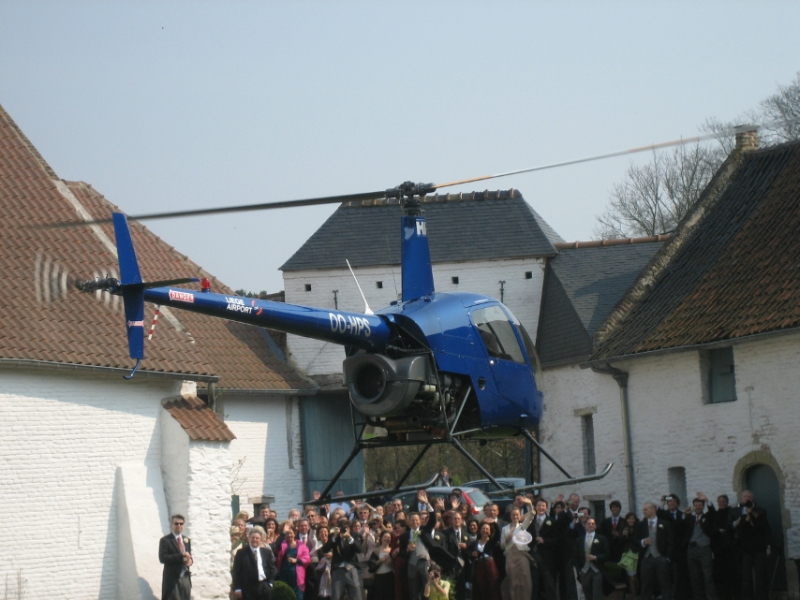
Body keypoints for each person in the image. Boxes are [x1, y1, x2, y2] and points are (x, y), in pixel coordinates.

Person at [734, 490, 771, 600]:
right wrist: (746, 518)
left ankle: (762, 597)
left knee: (761, 576)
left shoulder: (761, 511)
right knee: (746, 577)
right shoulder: (738, 512)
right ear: (741, 499)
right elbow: (739, 531)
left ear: (753, 499)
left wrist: (768, 546)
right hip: (745, 549)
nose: (747, 499)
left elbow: (766, 530)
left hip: (759, 548)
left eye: (750, 497)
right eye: (745, 497)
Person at [634, 501, 674, 600]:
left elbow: (670, 542)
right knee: (646, 585)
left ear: (653, 510)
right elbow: (634, 540)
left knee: (665, 583)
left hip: (661, 557)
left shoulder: (664, 524)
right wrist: (643, 541)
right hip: (646, 558)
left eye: (646, 509)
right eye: (643, 510)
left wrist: (668, 558)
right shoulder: (640, 525)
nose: (644, 511)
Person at [684, 493, 718, 600]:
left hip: (704, 549)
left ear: (703, 506)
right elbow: (681, 527)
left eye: (700, 505)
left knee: (707, 577)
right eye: (696, 505)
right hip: (691, 550)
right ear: (694, 506)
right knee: (695, 578)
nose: (698, 507)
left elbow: (713, 512)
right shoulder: (690, 518)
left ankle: (711, 598)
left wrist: (707, 500)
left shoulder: (707, 517)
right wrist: (685, 515)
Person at [500, 499, 535, 600]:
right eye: (513, 515)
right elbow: (502, 546)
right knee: (512, 579)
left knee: (525, 579)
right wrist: (507, 540)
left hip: (521, 555)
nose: (515, 517)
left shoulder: (522, 527)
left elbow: (531, 516)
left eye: (517, 515)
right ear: (510, 516)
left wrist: (529, 504)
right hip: (510, 555)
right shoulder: (504, 529)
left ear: (519, 516)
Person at [319, 518, 362, 600]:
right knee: (336, 596)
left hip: (351, 568)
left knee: (356, 595)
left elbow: (359, 550)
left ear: (349, 528)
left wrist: (349, 538)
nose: (344, 530)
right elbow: (324, 550)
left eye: (346, 528)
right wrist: (334, 537)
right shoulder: (334, 536)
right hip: (337, 569)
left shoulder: (354, 535)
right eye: (342, 528)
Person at [233, 529, 277, 600]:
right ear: (249, 539)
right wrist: (237, 588)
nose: (255, 540)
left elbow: (272, 568)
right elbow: (236, 571)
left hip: (264, 587)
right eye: (253, 538)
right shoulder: (241, 553)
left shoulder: (266, 552)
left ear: (261, 540)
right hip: (247, 588)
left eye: (257, 538)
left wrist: (270, 583)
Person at [159, 514, 192, 600]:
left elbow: (189, 556)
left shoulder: (186, 540)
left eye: (181, 524)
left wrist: (190, 561)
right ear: (171, 525)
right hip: (172, 578)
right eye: (176, 523)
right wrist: (181, 557)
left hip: (185, 576)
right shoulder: (165, 540)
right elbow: (163, 558)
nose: (179, 526)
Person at [576, 517, 609, 600]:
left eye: (592, 524)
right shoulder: (579, 540)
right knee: (587, 592)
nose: (590, 525)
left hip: (597, 570)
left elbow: (607, 554)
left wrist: (595, 557)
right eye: (588, 524)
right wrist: (579, 570)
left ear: (595, 526)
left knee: (597, 593)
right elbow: (576, 556)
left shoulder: (602, 539)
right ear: (585, 526)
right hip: (584, 570)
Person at [467, 520, 500, 600]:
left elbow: (498, 533)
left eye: (487, 529)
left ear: (490, 531)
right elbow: (469, 553)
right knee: (480, 587)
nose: (485, 531)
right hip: (479, 566)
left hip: (490, 565)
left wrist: (494, 523)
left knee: (492, 587)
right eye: (483, 529)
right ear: (480, 530)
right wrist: (472, 554)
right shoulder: (475, 543)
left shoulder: (491, 542)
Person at [277, 528, 311, 600]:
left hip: (297, 575)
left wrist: (296, 560)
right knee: (285, 595)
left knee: (298, 595)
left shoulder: (302, 545)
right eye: (287, 534)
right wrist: (283, 532)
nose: (289, 535)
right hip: (284, 574)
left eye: (291, 533)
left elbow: (307, 559)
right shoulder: (283, 544)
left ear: (294, 534)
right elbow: (276, 546)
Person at [618, 512, 640, 600]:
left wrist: (629, 535)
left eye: (632, 518)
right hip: (628, 555)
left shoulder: (638, 529)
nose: (630, 520)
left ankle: (638, 593)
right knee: (632, 578)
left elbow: (637, 541)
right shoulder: (624, 528)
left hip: (638, 554)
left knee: (637, 578)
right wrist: (623, 536)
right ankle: (633, 597)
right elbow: (620, 542)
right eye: (629, 519)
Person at [369, 530, 396, 599]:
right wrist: (381, 560)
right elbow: (371, 565)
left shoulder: (392, 550)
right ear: (381, 538)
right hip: (379, 578)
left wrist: (391, 562)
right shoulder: (376, 551)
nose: (386, 539)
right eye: (385, 537)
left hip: (389, 577)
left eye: (388, 537)